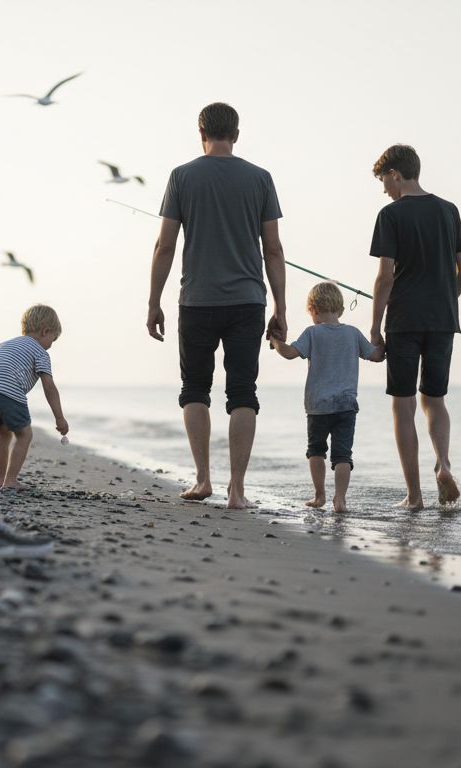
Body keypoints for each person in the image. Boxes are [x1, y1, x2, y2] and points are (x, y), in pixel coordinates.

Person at [147, 102, 287, 509]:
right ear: (237, 135)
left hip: (196, 300)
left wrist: (154, 301)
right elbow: (273, 250)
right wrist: (280, 307)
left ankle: (203, 479)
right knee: (243, 392)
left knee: (195, 389)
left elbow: (165, 245)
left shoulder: (182, 177)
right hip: (248, 301)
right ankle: (238, 490)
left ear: (201, 132)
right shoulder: (260, 179)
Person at [368, 144, 461, 510]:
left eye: (384, 180)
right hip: (443, 321)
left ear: (396, 174)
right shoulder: (449, 210)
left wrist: (374, 328)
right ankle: (443, 464)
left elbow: (384, 278)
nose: (384, 189)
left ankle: (414, 497)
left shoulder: (390, 215)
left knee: (403, 404)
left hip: (404, 321)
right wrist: (446, 302)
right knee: (434, 398)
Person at [271, 282, 385, 512]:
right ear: (341, 310)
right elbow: (376, 356)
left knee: (316, 451)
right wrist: (385, 341)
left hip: (317, 407)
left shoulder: (312, 333)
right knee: (343, 455)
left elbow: (290, 353)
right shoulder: (353, 333)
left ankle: (319, 495)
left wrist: (275, 341)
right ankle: (340, 499)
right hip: (346, 406)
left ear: (312, 310)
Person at [0, 305, 69, 490]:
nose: (51, 345)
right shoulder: (40, 352)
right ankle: (10, 481)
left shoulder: (3, 344)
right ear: (45, 331)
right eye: (52, 340)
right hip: (8, 391)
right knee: (24, 434)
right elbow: (49, 386)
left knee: (3, 433)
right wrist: (59, 418)